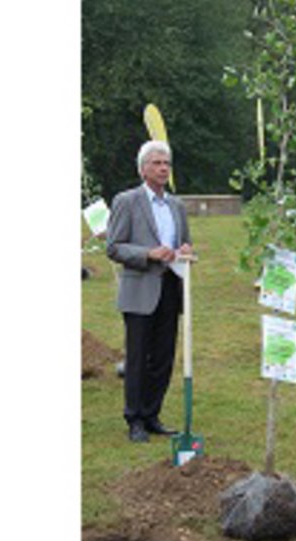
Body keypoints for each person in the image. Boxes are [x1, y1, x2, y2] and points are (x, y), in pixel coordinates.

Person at [105, 140, 193, 443]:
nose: (163, 168)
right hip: (140, 290)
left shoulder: (177, 206)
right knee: (138, 358)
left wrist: (185, 249)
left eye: (167, 163)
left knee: (163, 358)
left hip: (171, 287)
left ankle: (153, 414)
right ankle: (135, 419)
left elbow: (185, 243)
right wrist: (148, 254)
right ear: (143, 169)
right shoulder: (127, 201)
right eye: (157, 163)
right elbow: (114, 247)